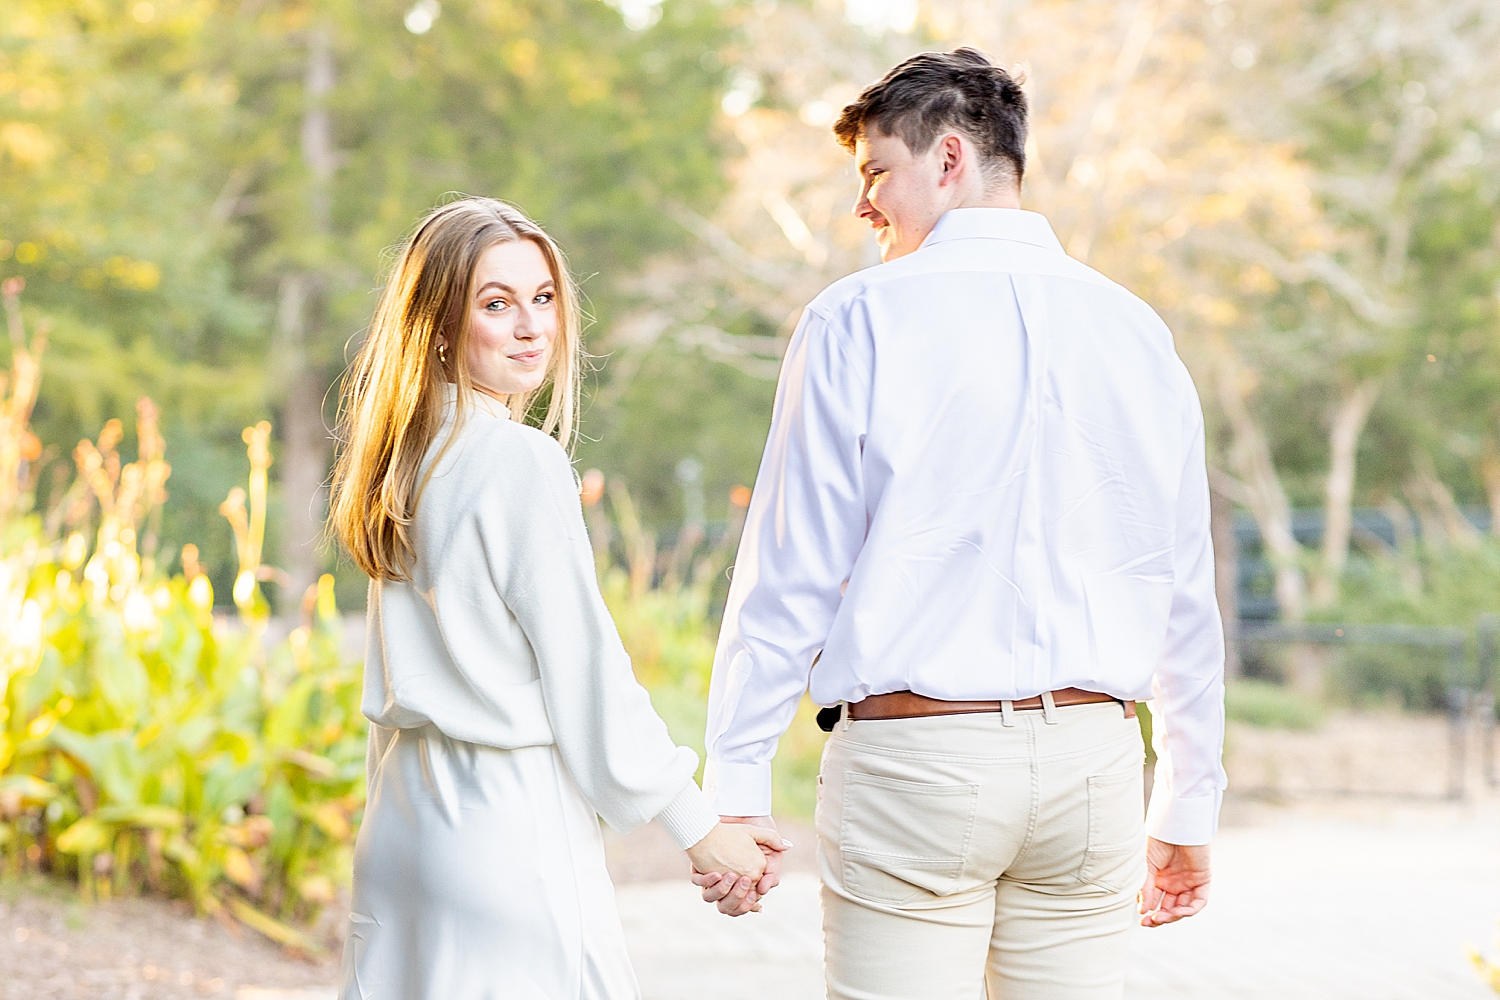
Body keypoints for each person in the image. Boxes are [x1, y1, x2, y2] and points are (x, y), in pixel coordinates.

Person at [693, 49, 1226, 999]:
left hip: (917, 769)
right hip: (1095, 769)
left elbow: (790, 575)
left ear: (947, 161)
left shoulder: (854, 319)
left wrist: (735, 783)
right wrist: (1188, 799)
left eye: (874, 173)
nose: (864, 206)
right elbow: (1178, 581)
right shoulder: (1138, 331)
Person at [328, 197, 783, 1000]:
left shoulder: (402, 463)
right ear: (438, 325)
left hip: (403, 831)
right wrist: (700, 830)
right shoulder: (517, 462)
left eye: (543, 299)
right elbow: (586, 672)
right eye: (496, 304)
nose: (532, 326)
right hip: (505, 832)